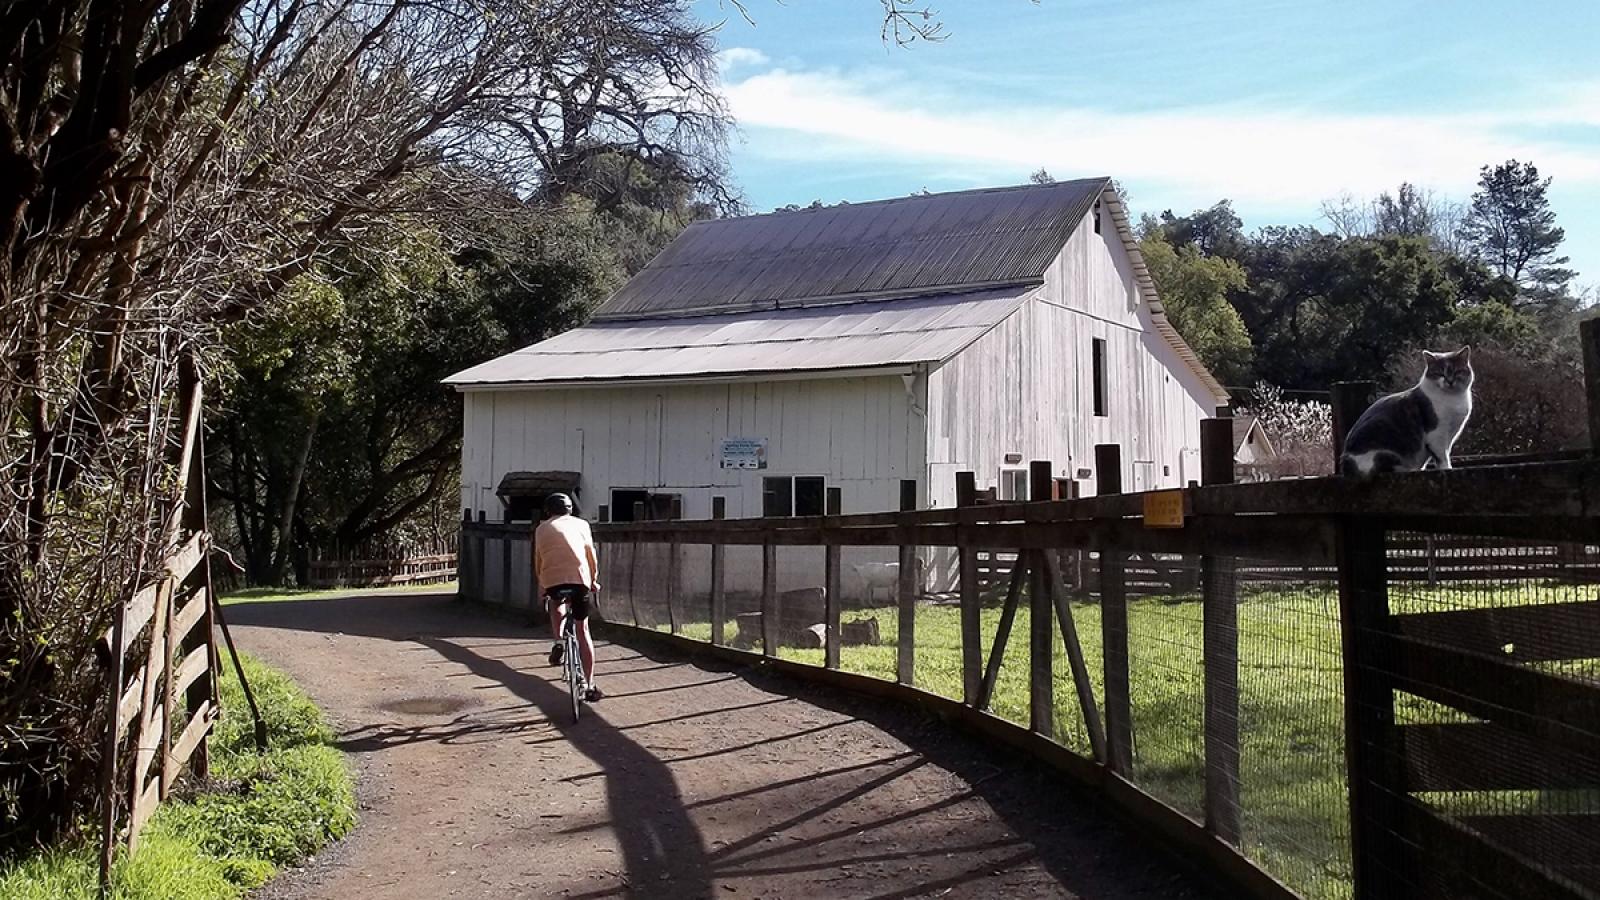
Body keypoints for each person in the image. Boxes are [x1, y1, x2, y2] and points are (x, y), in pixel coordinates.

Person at [533, 492, 602, 702]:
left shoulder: (541, 528)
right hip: (579, 578)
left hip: (552, 578)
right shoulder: (582, 525)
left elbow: (539, 559)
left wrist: (542, 585)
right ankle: (589, 684)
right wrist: (593, 581)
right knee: (583, 630)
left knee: (555, 601)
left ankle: (558, 641)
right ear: (570, 508)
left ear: (548, 510)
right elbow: (590, 555)